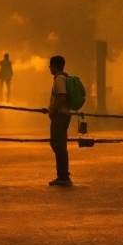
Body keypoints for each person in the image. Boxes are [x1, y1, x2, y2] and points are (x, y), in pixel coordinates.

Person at [47, 55, 73, 187]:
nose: (49, 68)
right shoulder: (64, 78)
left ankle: (63, 176)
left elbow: (62, 96)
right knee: (59, 145)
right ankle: (63, 175)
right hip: (63, 115)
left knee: (58, 145)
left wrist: (52, 110)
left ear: (56, 66)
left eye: (50, 65)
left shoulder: (59, 79)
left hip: (60, 116)